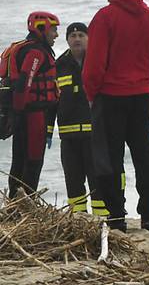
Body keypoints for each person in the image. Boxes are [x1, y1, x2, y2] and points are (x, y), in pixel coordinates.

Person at [83, 0, 149, 233]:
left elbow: (95, 63)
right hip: (141, 96)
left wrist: (90, 93)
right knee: (143, 155)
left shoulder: (105, 17)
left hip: (110, 96)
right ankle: (147, 216)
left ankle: (117, 216)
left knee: (110, 158)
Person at [46, 23, 108, 216]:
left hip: (95, 133)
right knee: (73, 179)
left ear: (89, 38)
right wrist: (48, 131)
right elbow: (51, 101)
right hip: (68, 135)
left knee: (98, 177)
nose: (77, 39)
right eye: (72, 36)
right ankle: (79, 217)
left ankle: (102, 217)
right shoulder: (59, 65)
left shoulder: (98, 61)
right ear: (67, 40)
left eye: (81, 35)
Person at [4, 12, 60, 198]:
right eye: (53, 30)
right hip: (32, 116)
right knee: (32, 161)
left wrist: (16, 115)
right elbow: (24, 84)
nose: (56, 35)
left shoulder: (27, 48)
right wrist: (19, 114)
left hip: (23, 115)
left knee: (19, 160)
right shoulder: (36, 52)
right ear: (41, 29)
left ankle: (15, 203)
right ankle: (25, 203)